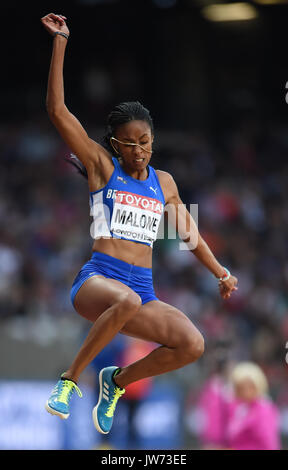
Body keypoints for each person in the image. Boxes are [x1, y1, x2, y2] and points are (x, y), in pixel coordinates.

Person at [41, 12, 238, 435]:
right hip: (97, 282)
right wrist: (60, 43)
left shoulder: (164, 182)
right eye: (129, 144)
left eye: (145, 142)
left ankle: (116, 381)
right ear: (115, 144)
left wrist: (220, 272)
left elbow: (189, 231)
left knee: (193, 344)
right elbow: (57, 111)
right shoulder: (100, 166)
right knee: (126, 300)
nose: (139, 151)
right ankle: (69, 381)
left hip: (142, 291)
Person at [225, 362, 281, 450]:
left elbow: (268, 442)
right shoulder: (239, 407)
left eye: (250, 387)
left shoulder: (264, 409)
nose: (245, 392)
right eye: (241, 388)